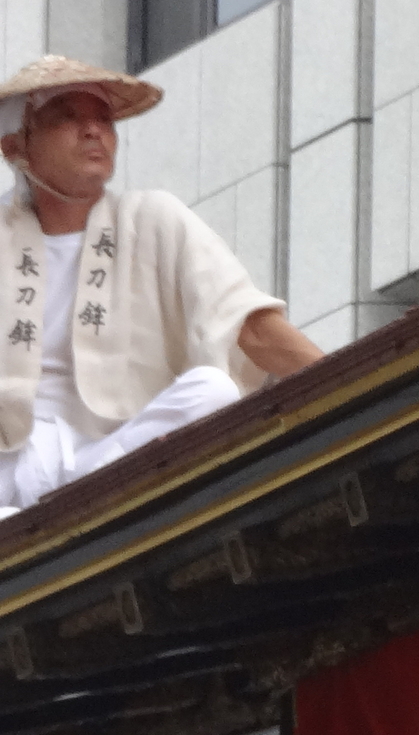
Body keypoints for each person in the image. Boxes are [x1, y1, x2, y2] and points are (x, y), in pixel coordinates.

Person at [0, 57, 323, 513]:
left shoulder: (152, 219)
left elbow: (251, 328)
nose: (93, 130)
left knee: (214, 390)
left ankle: (88, 497)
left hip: (114, 454)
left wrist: (363, 387)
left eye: (103, 119)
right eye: (66, 116)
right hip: (8, 468)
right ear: (15, 146)